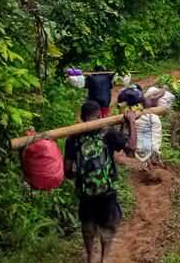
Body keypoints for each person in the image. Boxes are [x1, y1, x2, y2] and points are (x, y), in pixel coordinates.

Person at [64, 101, 137, 263]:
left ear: (82, 118)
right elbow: (131, 150)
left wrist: (82, 176)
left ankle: (90, 258)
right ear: (100, 115)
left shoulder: (73, 138)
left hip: (85, 193)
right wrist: (131, 121)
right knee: (108, 226)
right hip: (107, 190)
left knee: (88, 226)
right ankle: (104, 259)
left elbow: (67, 172)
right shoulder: (108, 133)